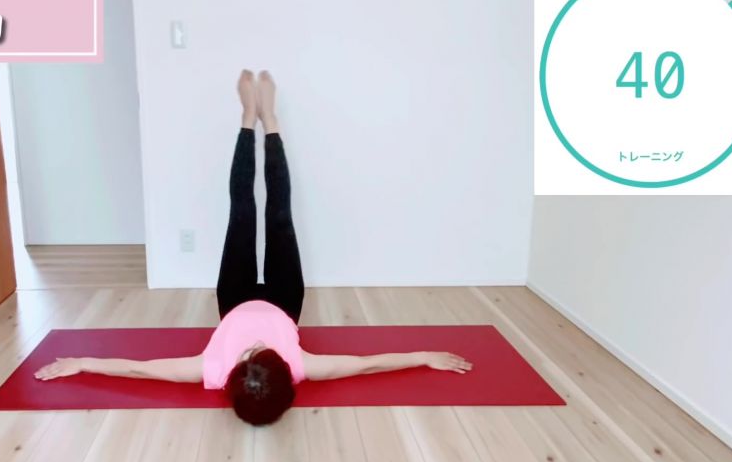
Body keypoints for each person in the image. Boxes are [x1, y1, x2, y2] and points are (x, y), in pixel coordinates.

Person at [35, 70, 472, 425]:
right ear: (287, 370)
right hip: (284, 299)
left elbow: (141, 369)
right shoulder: (300, 365)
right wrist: (423, 356)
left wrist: (83, 363)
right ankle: (272, 121)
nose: (255, 343)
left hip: (235, 296)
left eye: (247, 354)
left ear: (232, 373)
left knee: (242, 212)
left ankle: (247, 117)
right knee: (279, 212)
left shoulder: (212, 369)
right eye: (262, 351)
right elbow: (364, 364)